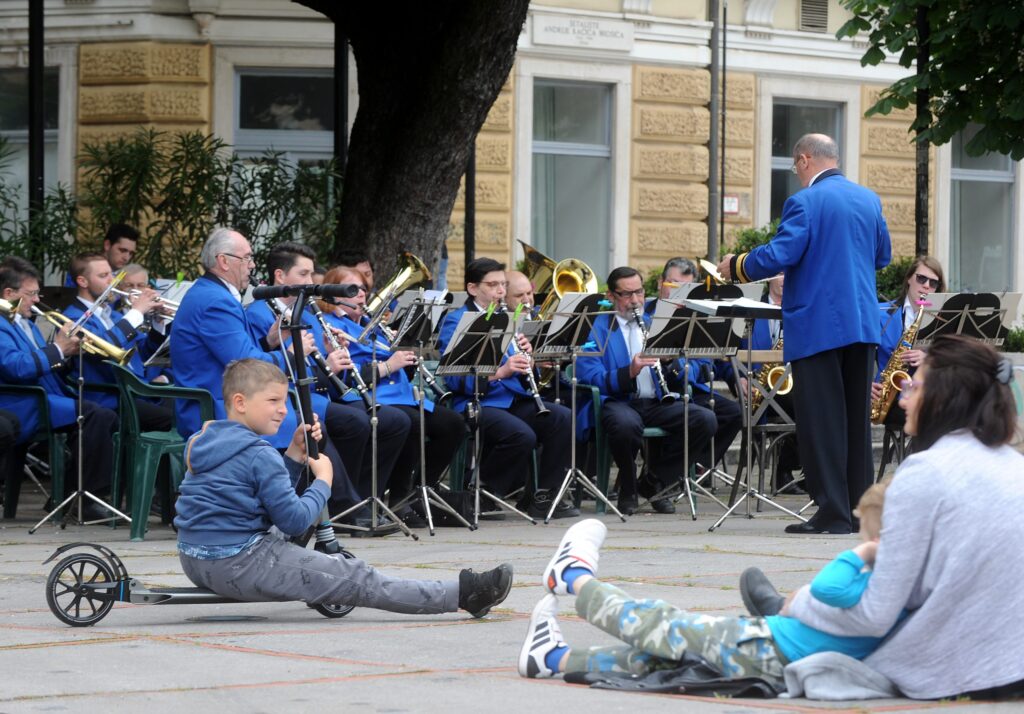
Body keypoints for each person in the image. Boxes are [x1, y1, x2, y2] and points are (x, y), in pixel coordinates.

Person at [174, 358, 513, 618]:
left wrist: (293, 455)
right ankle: (463, 594)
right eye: (274, 401)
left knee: (301, 552)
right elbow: (293, 522)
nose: (282, 410)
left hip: (195, 559)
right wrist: (324, 480)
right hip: (239, 564)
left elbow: (254, 499)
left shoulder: (202, 438)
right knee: (355, 575)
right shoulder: (260, 454)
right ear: (241, 402)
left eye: (284, 400)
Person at [783, 335, 1024, 699]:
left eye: (913, 386)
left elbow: (877, 615)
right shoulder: (1015, 465)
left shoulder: (926, 470)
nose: (902, 398)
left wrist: (799, 603)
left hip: (965, 670)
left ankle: (776, 610)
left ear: (944, 397)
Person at [718, 133, 891, 535]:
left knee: (821, 420)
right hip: (863, 323)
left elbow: (779, 255)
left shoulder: (804, 202)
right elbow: (882, 257)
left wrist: (737, 265)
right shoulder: (868, 199)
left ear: (805, 159)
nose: (796, 173)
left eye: (796, 165)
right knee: (853, 422)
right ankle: (858, 509)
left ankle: (831, 511)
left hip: (819, 325)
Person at [517, 511, 892, 686]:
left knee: (660, 623)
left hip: (765, 647)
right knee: (655, 661)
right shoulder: (898, 589)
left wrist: (863, 554)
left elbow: (828, 588)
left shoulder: (884, 583)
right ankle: (552, 658)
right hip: (775, 655)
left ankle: (573, 577)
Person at [169, 228, 366, 523]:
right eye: (246, 257)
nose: (251, 264)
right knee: (306, 422)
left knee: (312, 420)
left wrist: (271, 342)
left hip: (233, 395)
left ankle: (333, 506)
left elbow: (246, 354)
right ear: (224, 261)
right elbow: (246, 363)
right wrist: (288, 351)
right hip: (215, 402)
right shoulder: (214, 301)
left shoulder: (215, 294)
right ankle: (327, 508)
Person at [246, 243, 411, 532]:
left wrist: (333, 357)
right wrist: (320, 364)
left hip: (321, 393)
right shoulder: (259, 313)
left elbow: (326, 370)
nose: (311, 282)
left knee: (395, 421)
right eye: (304, 273)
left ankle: (361, 498)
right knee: (355, 422)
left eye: (312, 274)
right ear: (280, 276)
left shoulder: (307, 313)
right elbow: (266, 369)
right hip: (295, 396)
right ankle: (343, 505)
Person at [318, 266, 465, 527]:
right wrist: (389, 365)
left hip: (403, 395)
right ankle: (399, 497)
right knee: (410, 422)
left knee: (452, 425)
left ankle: (421, 489)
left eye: (364, 288)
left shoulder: (370, 323)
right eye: (353, 290)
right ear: (333, 294)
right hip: (372, 396)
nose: (362, 295)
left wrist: (406, 348)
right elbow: (347, 378)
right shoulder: (330, 325)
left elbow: (402, 371)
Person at [437, 257, 578, 519]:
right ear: (472, 288)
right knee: (521, 434)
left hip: (513, 399)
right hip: (478, 401)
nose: (500, 292)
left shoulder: (507, 318)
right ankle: (485, 491)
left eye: (503, 285)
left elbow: (523, 372)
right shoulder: (457, 321)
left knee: (562, 418)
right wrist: (499, 371)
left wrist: (530, 360)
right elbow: (454, 376)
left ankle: (544, 496)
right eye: (493, 285)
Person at [575, 266, 720, 515]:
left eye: (639, 292)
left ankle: (655, 481)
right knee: (625, 426)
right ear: (611, 296)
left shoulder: (657, 324)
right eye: (626, 295)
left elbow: (685, 367)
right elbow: (590, 375)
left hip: (654, 401)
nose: (635, 301)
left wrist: (669, 363)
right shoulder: (596, 328)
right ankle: (628, 488)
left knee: (704, 419)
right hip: (617, 401)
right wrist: (627, 372)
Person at [0, 256, 118, 522]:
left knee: (100, 413)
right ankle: (85, 499)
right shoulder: (1, 325)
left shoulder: (26, 323)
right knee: (96, 416)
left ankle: (67, 495)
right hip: (21, 403)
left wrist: (66, 353)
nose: (37, 300)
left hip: (45, 397)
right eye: (31, 294)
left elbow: (43, 363)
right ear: (9, 294)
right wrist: (58, 349)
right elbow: (15, 367)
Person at [62, 252, 173, 430]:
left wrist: (157, 325)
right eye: (103, 276)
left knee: (186, 406)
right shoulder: (74, 317)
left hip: (134, 393)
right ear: (83, 282)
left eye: (112, 274)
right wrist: (136, 313)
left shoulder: (113, 315)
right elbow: (103, 347)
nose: (111, 280)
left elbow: (141, 354)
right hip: (107, 398)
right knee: (173, 418)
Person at [872, 255, 945, 430]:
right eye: (921, 278)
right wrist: (865, 385)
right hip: (888, 400)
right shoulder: (880, 313)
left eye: (933, 283)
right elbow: (857, 356)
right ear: (908, 280)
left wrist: (928, 358)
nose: (926, 285)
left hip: (927, 397)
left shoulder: (945, 321)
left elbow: (955, 362)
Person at [64, 224, 140, 287]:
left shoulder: (126, 275)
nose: (126, 258)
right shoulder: (84, 266)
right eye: (122, 250)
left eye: (131, 253)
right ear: (107, 245)